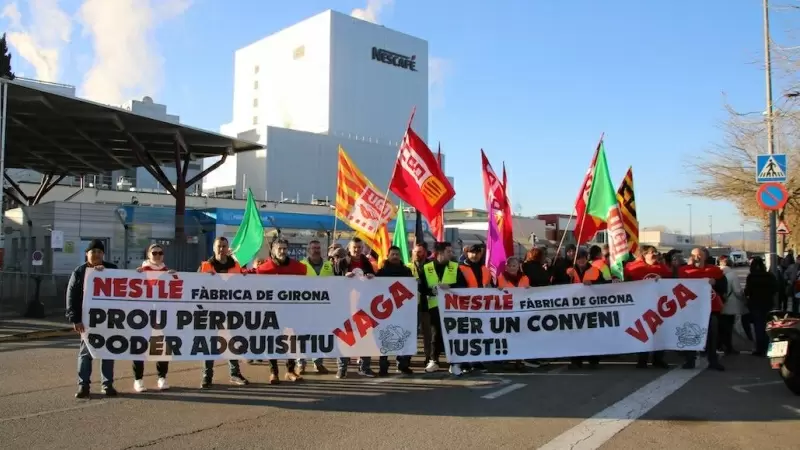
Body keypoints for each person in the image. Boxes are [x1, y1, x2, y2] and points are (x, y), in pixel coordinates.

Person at [67, 239, 118, 398]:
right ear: (86, 254)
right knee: (85, 353)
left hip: (108, 320)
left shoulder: (112, 269)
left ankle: (107, 384)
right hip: (87, 321)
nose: (96, 254)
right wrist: (75, 319)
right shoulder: (79, 272)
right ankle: (83, 386)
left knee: (108, 352)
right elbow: (72, 296)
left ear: (103, 254)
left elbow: (126, 288)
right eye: (93, 251)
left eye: (99, 252)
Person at [198, 237, 249, 389]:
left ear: (228, 248)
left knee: (232, 341)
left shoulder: (236, 266)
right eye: (219, 246)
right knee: (210, 342)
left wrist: (246, 276)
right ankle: (207, 375)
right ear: (213, 248)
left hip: (231, 309)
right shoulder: (205, 266)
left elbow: (244, 284)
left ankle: (235, 373)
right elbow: (194, 286)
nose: (221, 249)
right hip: (211, 310)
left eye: (224, 246)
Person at [255, 239, 308, 384]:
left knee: (291, 341)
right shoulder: (263, 269)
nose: (282, 251)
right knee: (272, 341)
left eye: (285, 248)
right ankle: (274, 372)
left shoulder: (299, 268)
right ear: (272, 250)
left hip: (292, 311)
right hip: (271, 311)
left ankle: (290, 371)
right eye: (279, 249)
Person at [131, 244, 176, 392]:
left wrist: (175, 277)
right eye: (154, 253)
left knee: (161, 347)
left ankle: (162, 378)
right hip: (143, 315)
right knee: (140, 347)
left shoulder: (167, 272)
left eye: (160, 253)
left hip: (162, 315)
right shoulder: (141, 271)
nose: (157, 255)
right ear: (148, 255)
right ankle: (138, 379)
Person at [419, 241, 468, 376]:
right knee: (436, 335)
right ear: (439, 253)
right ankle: (434, 360)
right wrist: (431, 291)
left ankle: (454, 363)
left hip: (452, 308)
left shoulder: (455, 267)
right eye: (448, 252)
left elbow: (463, 286)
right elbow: (421, 288)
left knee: (453, 335)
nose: (451, 254)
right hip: (433, 307)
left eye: (451, 251)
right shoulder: (426, 267)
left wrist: (450, 288)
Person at [623, 245, 672, 369]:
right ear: (644, 255)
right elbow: (626, 282)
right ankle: (642, 359)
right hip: (640, 305)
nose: (654, 254)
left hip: (658, 306)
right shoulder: (633, 267)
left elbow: (672, 280)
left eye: (656, 252)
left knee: (659, 332)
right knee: (643, 332)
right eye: (651, 252)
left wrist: (663, 280)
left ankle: (658, 359)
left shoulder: (662, 268)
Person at [679, 247, 727, 371]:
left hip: (711, 309)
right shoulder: (684, 271)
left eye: (699, 255)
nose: (697, 258)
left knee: (712, 335)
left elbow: (724, 288)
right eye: (694, 255)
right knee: (689, 334)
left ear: (705, 256)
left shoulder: (715, 270)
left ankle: (713, 360)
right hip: (690, 309)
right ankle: (690, 360)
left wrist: (715, 283)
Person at [336, 237, 378, 378]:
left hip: (363, 304)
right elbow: (332, 281)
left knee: (365, 336)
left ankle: (365, 367)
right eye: (355, 247)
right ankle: (342, 367)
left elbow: (374, 280)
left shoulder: (366, 262)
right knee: (344, 336)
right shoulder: (341, 262)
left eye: (360, 247)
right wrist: (343, 276)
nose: (357, 250)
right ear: (349, 248)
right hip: (345, 305)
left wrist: (372, 276)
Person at [375, 245, 415, 376]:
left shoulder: (407, 271)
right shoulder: (381, 272)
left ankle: (403, 365)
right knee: (384, 338)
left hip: (403, 310)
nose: (395, 257)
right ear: (388, 256)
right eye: (393, 254)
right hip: (385, 311)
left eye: (397, 254)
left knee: (403, 337)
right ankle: (383, 367)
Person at [297, 240, 332, 375]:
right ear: (308, 250)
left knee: (320, 335)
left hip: (323, 308)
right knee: (303, 336)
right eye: (313, 248)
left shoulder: (329, 265)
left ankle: (318, 363)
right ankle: (301, 363)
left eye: (318, 248)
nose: (316, 250)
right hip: (304, 307)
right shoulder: (301, 265)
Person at [566, 249, 603, 369]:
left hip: (591, 308)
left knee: (592, 334)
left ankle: (593, 361)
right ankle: (576, 361)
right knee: (575, 335)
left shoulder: (595, 271)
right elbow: (557, 285)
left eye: (583, 258)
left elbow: (604, 285)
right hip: (574, 309)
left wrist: (593, 283)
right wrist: (568, 279)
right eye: (578, 258)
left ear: (587, 258)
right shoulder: (569, 271)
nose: (581, 260)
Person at [744, 256, 777, 357]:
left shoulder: (751, 277)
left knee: (758, 326)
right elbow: (775, 289)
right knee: (767, 325)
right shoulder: (769, 276)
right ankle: (767, 347)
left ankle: (759, 348)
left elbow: (747, 291)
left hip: (755, 303)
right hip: (767, 303)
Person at [408, 242, 433, 367]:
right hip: (411, 306)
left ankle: (429, 357)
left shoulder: (431, 267)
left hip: (427, 305)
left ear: (425, 252)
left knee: (428, 334)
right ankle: (406, 359)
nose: (417, 254)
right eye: (415, 251)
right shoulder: (407, 267)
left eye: (420, 252)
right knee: (410, 333)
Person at [718, 255, 744, 355]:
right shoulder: (732, 275)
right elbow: (737, 291)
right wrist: (743, 300)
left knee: (720, 327)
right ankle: (728, 346)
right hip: (730, 304)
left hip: (719, 303)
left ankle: (719, 345)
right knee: (728, 327)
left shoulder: (717, 273)